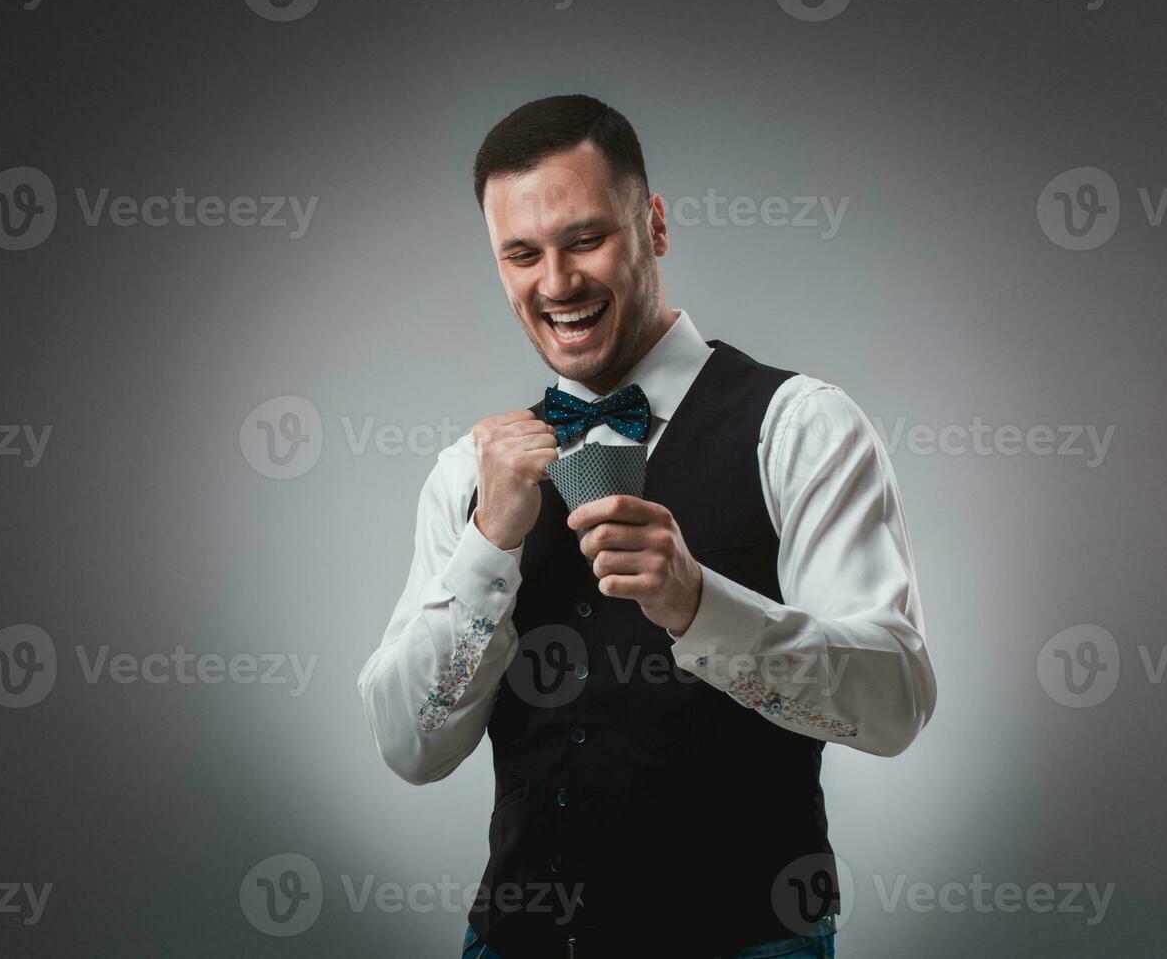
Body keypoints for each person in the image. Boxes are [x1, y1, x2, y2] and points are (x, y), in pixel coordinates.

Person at [358, 94, 937, 958]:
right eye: (522, 254)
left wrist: (702, 603)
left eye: (586, 239)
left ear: (654, 226)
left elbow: (895, 703)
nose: (556, 284)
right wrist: (490, 543)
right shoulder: (467, 476)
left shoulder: (802, 426)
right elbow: (410, 746)